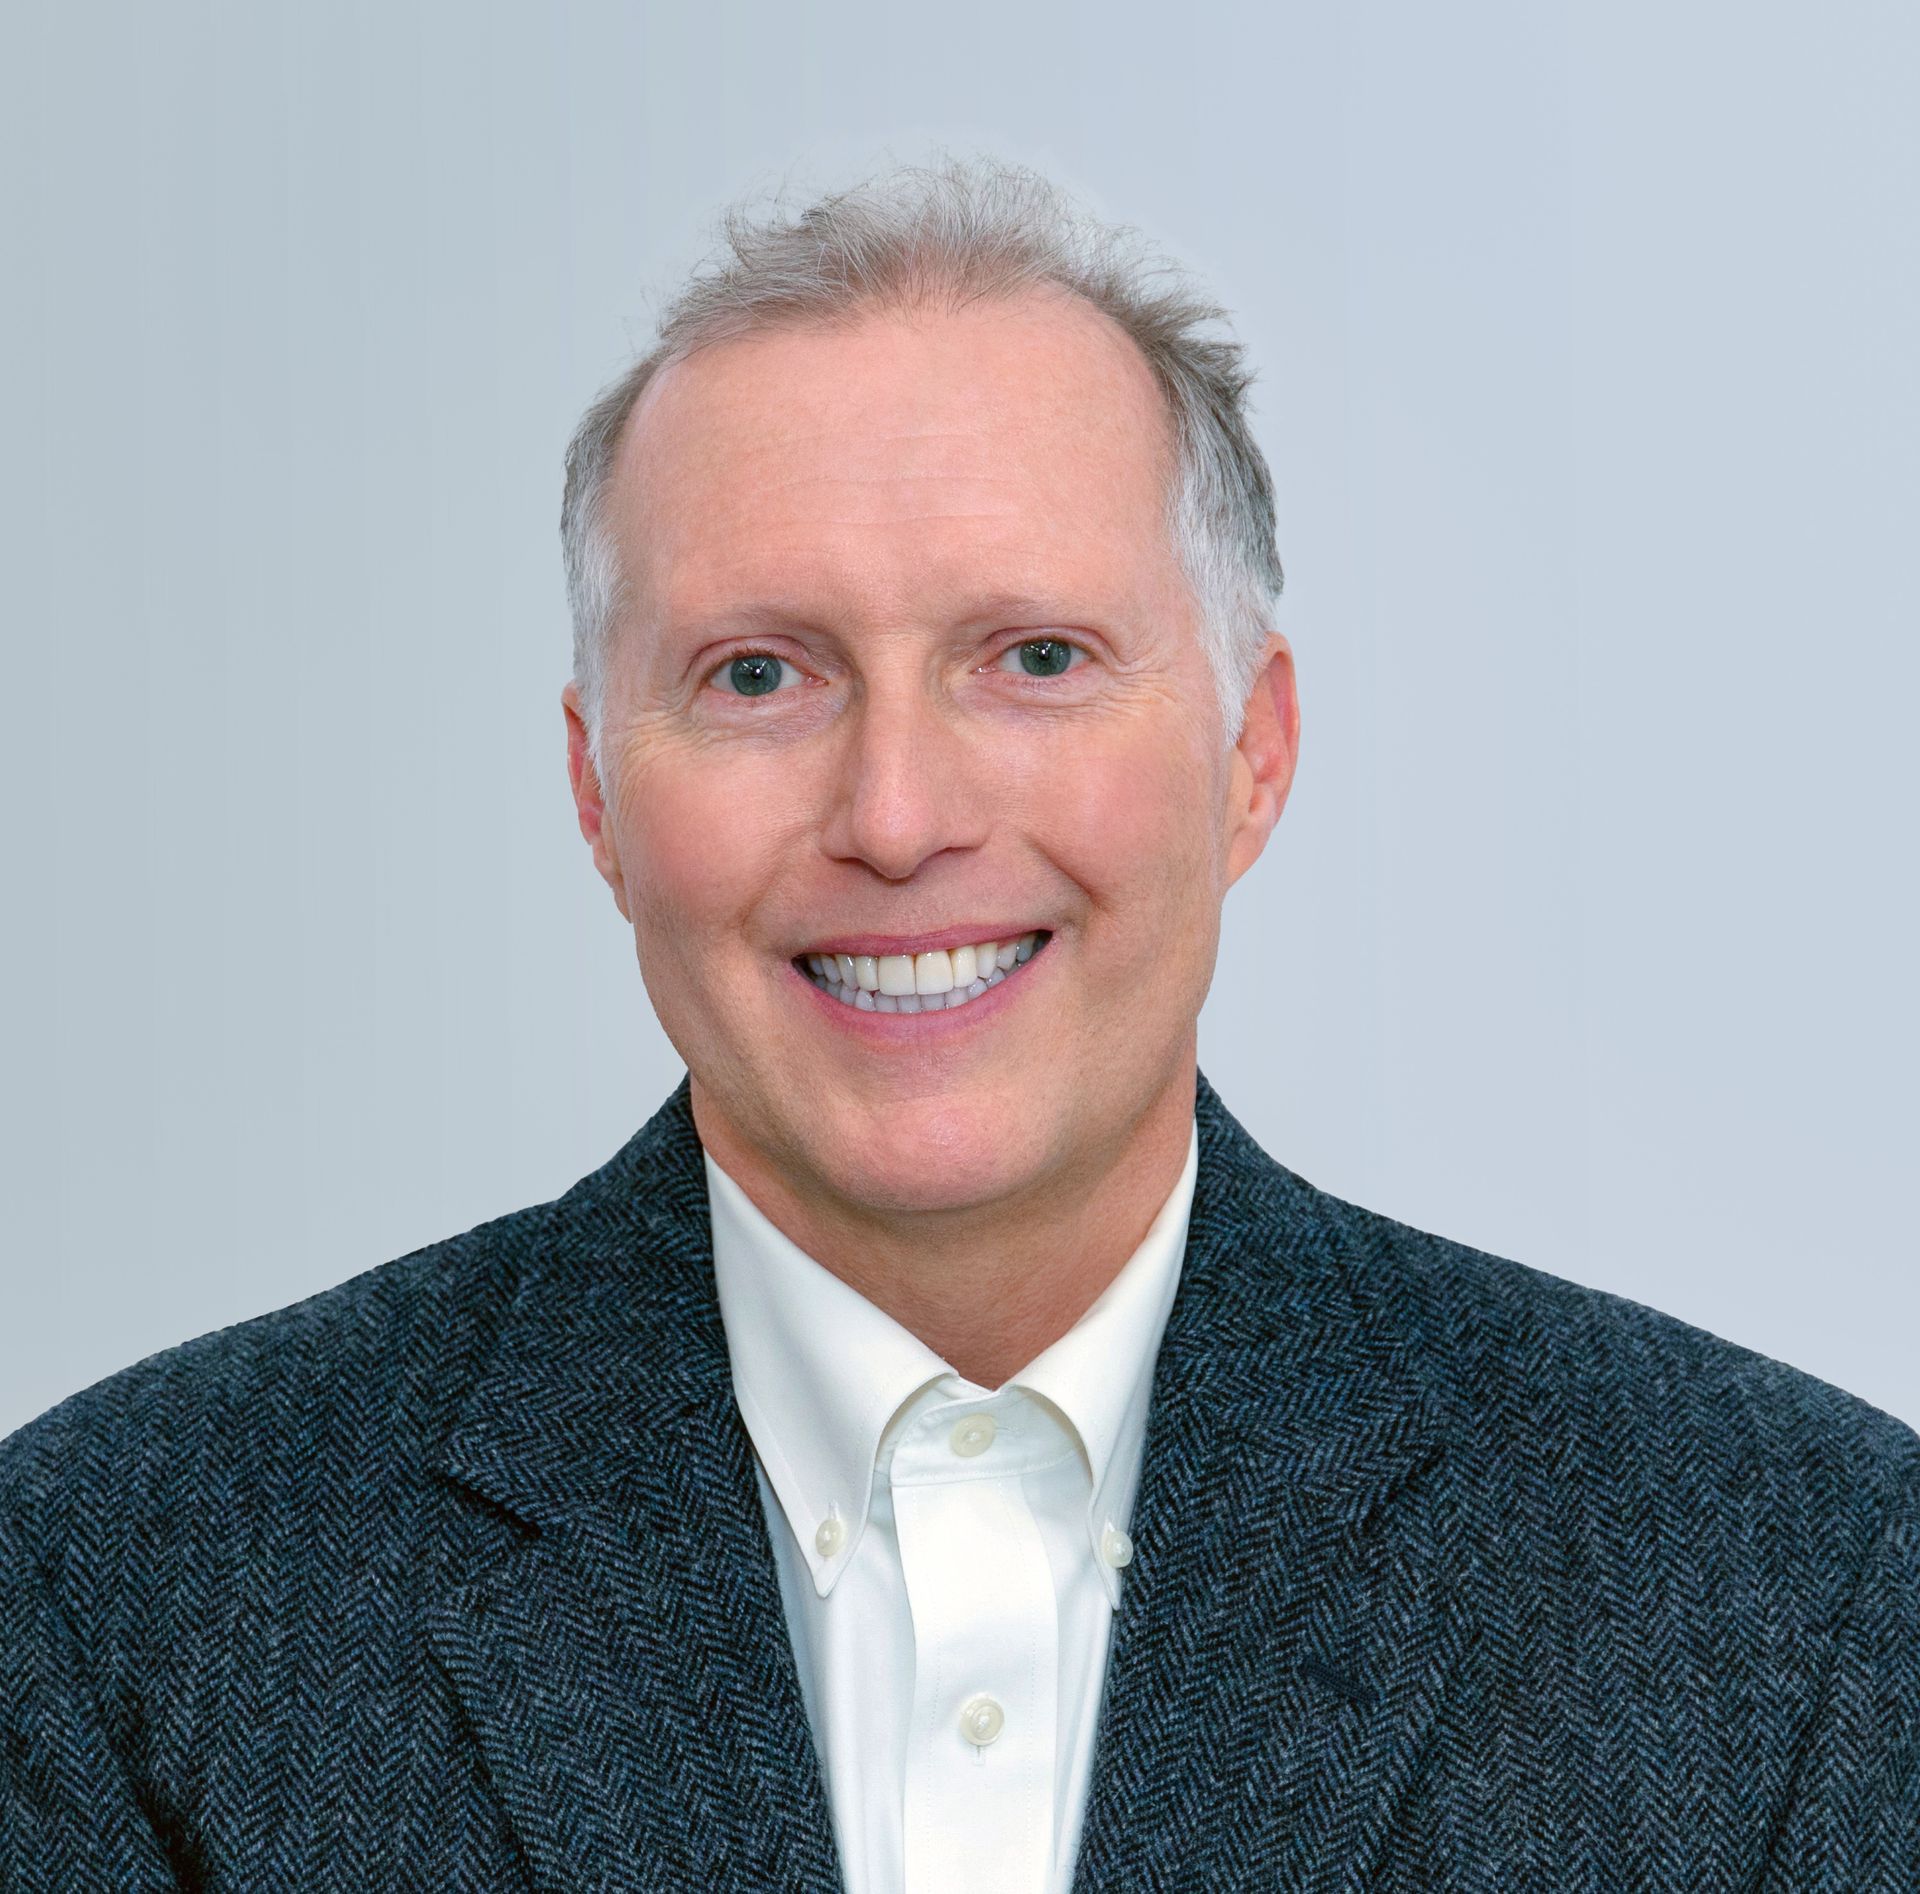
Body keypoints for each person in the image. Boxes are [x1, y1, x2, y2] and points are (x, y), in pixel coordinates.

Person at [2, 158, 1914, 1894]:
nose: (899, 811)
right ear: (595, 794)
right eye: (760, 672)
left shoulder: (1794, 1588)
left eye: (1036, 659)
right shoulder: (118, 1594)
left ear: (1252, 753)